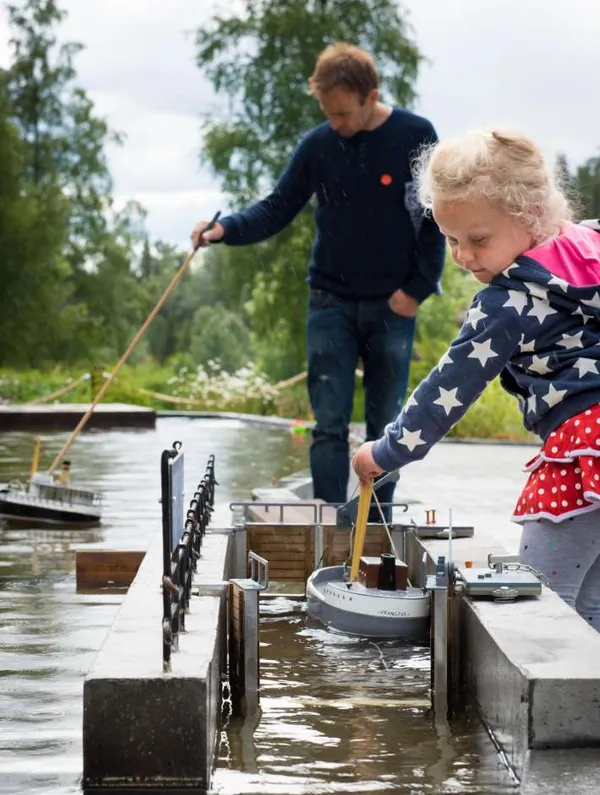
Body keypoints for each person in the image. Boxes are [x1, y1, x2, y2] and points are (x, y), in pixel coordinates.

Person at [352, 127, 600, 631]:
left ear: (530, 215)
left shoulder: (508, 299)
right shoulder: (589, 244)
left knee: (540, 611)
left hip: (583, 451)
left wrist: (385, 452)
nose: (463, 255)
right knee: (591, 606)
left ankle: (545, 712)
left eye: (478, 239)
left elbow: (449, 388)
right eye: (450, 240)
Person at [192, 42, 445, 513]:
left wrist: (418, 288)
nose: (336, 124)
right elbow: (276, 207)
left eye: (344, 113)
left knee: (385, 424)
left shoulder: (416, 135)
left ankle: (376, 524)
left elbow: (436, 215)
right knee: (328, 423)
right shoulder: (319, 145)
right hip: (330, 300)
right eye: (328, 113)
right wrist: (224, 230)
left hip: (393, 305)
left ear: (371, 96)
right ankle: (328, 522)